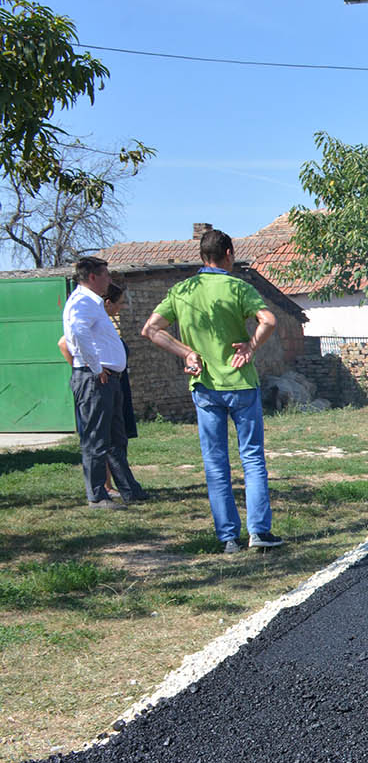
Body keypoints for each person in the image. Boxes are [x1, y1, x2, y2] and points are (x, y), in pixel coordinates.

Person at [142, 229, 285, 554]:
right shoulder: (237, 287)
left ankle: (228, 538)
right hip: (242, 384)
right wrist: (250, 346)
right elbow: (269, 320)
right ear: (229, 253)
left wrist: (186, 353)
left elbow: (150, 329)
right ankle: (259, 532)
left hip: (205, 387)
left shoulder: (182, 290)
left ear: (202, 256)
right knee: (251, 458)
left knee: (215, 462)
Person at [62, 257, 146, 510]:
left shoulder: (93, 303)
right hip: (94, 378)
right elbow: (78, 333)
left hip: (109, 378)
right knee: (96, 439)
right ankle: (97, 495)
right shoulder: (82, 303)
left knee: (115, 438)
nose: (109, 280)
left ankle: (129, 489)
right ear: (92, 277)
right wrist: (96, 367)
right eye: (106, 275)